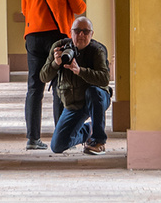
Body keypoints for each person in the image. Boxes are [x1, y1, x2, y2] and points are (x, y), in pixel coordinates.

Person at [20, 0, 86, 150]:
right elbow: (79, 7)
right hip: (57, 36)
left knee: (34, 87)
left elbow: (24, 9)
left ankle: (32, 139)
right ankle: (62, 137)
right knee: (60, 86)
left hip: (32, 36)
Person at [40, 16, 110, 155]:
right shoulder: (59, 47)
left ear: (92, 34)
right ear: (70, 32)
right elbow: (43, 77)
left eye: (85, 31)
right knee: (57, 146)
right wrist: (56, 63)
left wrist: (80, 71)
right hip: (74, 104)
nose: (81, 35)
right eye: (77, 31)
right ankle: (88, 131)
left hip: (97, 99)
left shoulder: (97, 50)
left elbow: (104, 79)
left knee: (93, 91)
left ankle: (98, 141)